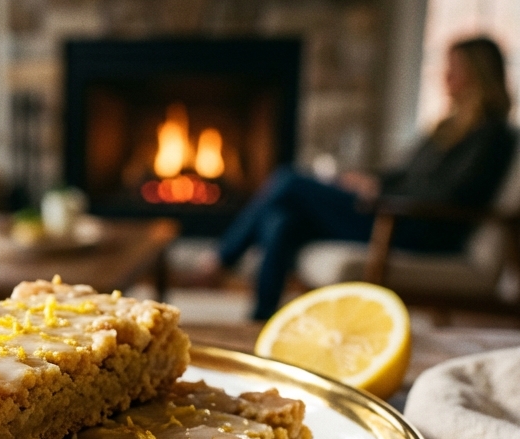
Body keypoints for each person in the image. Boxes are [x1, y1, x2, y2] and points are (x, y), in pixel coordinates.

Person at [202, 36, 516, 320]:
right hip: (394, 210)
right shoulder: (447, 128)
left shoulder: (492, 135)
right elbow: (404, 174)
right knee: (283, 217)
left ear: (479, 74)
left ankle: (221, 261)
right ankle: (261, 318)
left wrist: (380, 194)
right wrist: (369, 181)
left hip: (414, 226)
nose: (445, 77)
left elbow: (453, 195)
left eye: (455, 69)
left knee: (289, 181)